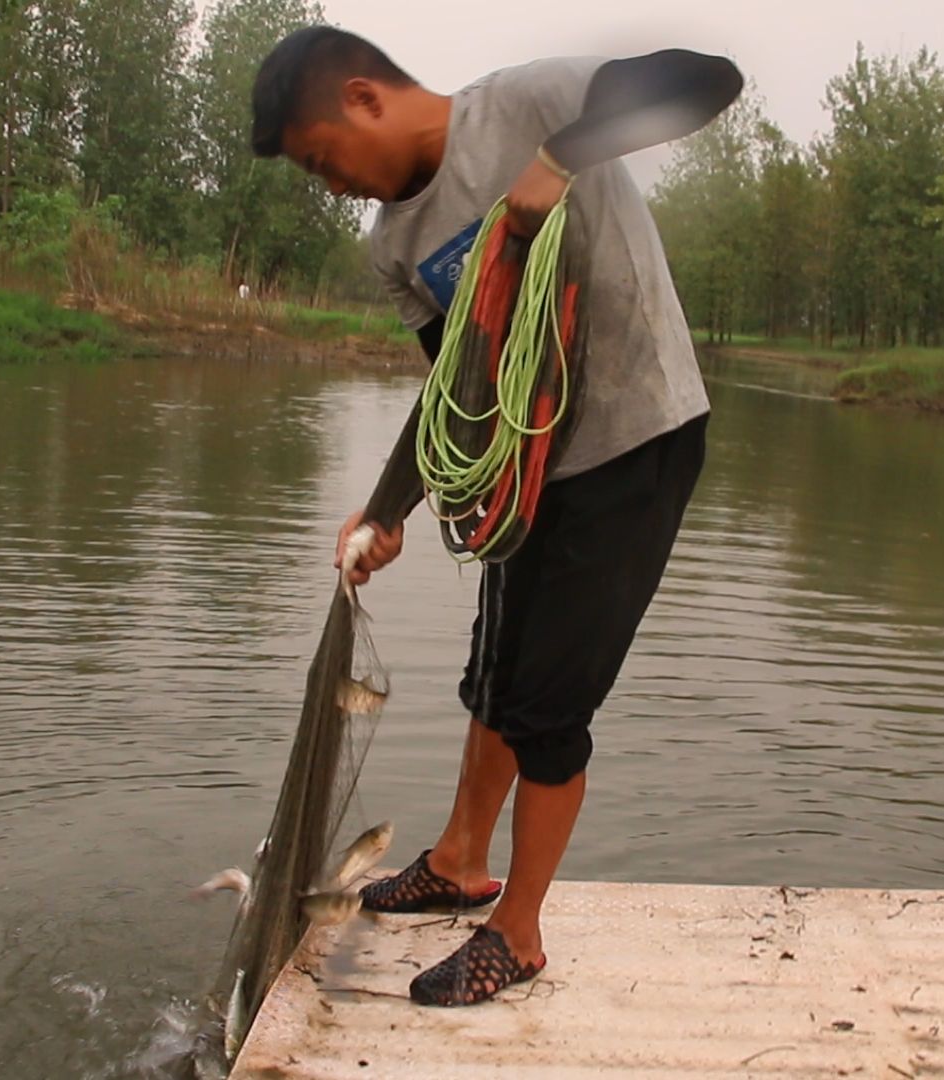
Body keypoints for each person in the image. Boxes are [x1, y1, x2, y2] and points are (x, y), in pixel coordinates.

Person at [250, 27, 742, 1006]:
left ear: (364, 98)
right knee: (497, 674)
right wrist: (386, 511)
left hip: (632, 441)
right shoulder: (395, 244)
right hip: (526, 466)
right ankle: (460, 860)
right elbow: (458, 390)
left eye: (321, 159)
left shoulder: (528, 104)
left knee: (550, 705)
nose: (331, 185)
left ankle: (517, 933)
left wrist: (560, 158)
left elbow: (709, 80)